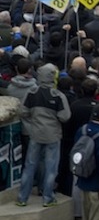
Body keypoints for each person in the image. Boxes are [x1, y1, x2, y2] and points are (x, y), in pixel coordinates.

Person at [17, 63, 71, 207]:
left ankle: (22, 198)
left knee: (30, 166)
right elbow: (65, 116)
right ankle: (47, 198)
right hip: (53, 135)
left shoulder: (31, 92)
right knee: (51, 167)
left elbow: (23, 112)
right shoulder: (58, 95)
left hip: (35, 134)